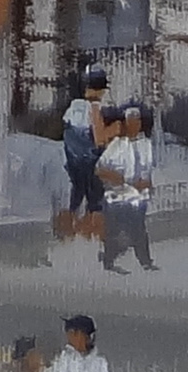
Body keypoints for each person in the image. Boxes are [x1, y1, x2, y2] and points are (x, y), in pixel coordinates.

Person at [96, 103, 157, 271]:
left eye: (137, 121)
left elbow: (148, 170)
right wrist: (114, 177)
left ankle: (145, 262)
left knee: (138, 229)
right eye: (130, 121)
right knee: (114, 230)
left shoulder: (146, 145)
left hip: (137, 196)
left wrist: (146, 183)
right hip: (117, 196)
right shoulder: (117, 144)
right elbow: (99, 168)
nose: (134, 125)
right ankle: (109, 261)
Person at [56, 69, 110, 241]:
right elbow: (99, 140)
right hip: (91, 161)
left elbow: (67, 134)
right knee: (95, 200)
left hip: (73, 161)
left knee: (77, 194)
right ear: (100, 90)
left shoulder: (73, 107)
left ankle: (69, 231)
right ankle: (91, 234)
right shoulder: (94, 109)